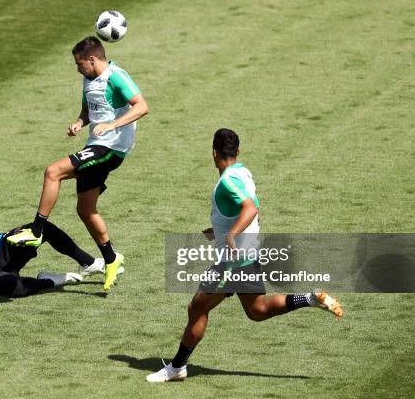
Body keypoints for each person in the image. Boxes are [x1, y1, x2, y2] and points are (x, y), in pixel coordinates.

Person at [146, 128, 343, 383]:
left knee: (197, 306)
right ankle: (308, 298)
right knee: (257, 309)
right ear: (237, 152)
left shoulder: (227, 180)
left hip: (233, 259)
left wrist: (230, 236)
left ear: (214, 153)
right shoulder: (244, 174)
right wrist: (221, 230)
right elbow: (257, 210)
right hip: (248, 252)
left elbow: (249, 209)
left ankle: (177, 367)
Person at [5, 36, 149, 291]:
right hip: (95, 146)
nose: (78, 68)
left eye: (80, 64)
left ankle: (36, 231)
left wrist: (111, 125)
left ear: (93, 59)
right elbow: (88, 111)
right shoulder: (89, 80)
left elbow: (142, 106)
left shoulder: (117, 76)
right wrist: (79, 123)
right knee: (85, 209)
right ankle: (111, 259)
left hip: (111, 148)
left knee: (53, 171)